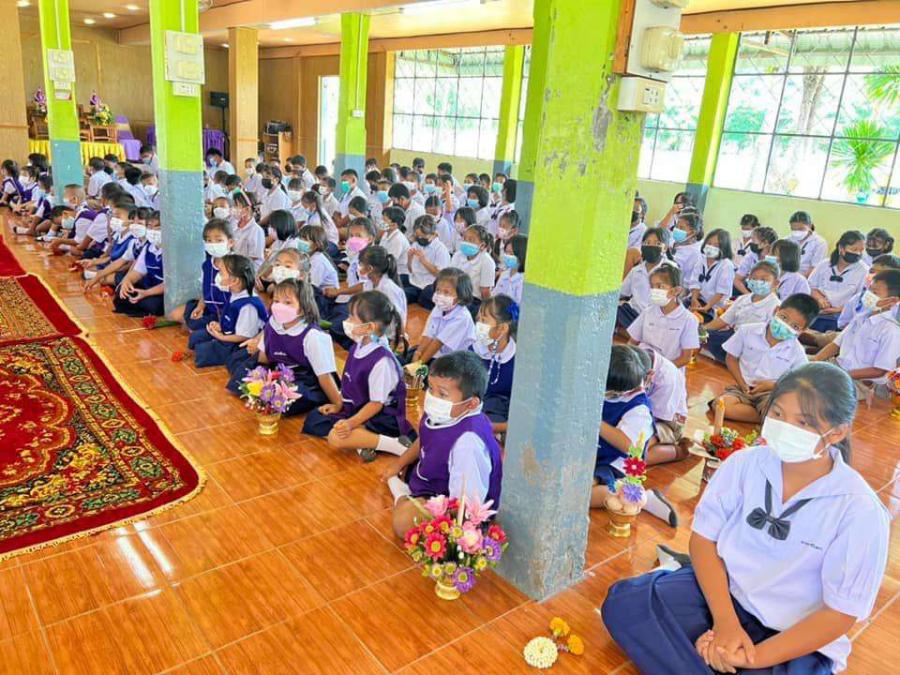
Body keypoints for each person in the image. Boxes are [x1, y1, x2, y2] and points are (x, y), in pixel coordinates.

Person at [602, 363, 889, 675]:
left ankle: (705, 656)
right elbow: (704, 539)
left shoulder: (858, 509)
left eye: (803, 422)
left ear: (838, 432)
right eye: (777, 414)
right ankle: (709, 653)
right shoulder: (744, 464)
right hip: (725, 598)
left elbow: (839, 614)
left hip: (790, 634)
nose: (785, 427)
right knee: (625, 604)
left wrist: (752, 657)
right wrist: (725, 625)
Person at [382, 350, 503, 538]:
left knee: (402, 523)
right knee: (402, 475)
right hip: (433, 481)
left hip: (453, 501)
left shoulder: (468, 443)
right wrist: (399, 463)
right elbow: (426, 437)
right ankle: (408, 494)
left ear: (471, 403)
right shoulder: (445, 411)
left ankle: (403, 496)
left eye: (443, 394)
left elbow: (466, 506)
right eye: (431, 388)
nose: (432, 397)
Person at [302, 291, 414, 463]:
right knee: (314, 419)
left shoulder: (382, 361)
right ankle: (363, 442)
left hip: (381, 417)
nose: (347, 321)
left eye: (352, 317)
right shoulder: (359, 345)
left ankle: (396, 445)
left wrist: (350, 423)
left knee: (335, 438)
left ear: (369, 327)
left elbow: (376, 404)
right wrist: (338, 405)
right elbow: (351, 385)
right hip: (357, 409)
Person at [227, 278, 342, 416]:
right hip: (279, 368)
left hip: (305, 376)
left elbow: (324, 376)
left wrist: (337, 404)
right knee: (242, 373)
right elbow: (264, 358)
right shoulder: (272, 323)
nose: (280, 306)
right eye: (276, 301)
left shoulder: (313, 336)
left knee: (286, 397)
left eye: (288, 303)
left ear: (303, 308)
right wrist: (261, 375)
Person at [590, 345, 678, 527]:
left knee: (584, 494)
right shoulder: (611, 380)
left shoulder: (639, 409)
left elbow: (627, 445)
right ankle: (630, 495)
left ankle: (640, 497)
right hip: (596, 453)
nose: (608, 395)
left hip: (615, 462)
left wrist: (595, 421)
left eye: (614, 393)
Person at [717, 293, 819, 423]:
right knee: (721, 406)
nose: (785, 325)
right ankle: (764, 417)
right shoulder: (747, 330)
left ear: (802, 331)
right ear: (776, 310)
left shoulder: (796, 350)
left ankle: (766, 415)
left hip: (772, 394)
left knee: (779, 413)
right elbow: (731, 358)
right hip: (743, 388)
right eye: (784, 317)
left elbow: (800, 382)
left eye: (795, 326)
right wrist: (742, 384)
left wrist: (773, 385)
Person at [812, 269, 900, 399]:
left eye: (875, 293)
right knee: (798, 371)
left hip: (858, 382)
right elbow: (836, 344)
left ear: (892, 300)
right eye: (869, 290)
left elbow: (880, 370)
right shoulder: (861, 316)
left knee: (814, 392)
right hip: (836, 367)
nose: (868, 295)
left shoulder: (891, 330)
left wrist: (842, 375)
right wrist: (815, 361)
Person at [188, 254, 268, 367]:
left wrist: (222, 337)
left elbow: (245, 336)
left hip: (240, 342)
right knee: (195, 338)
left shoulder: (248, 306)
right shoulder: (234, 294)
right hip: (231, 334)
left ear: (234, 280)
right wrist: (220, 326)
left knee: (203, 353)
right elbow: (231, 319)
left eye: (221, 273)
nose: (218, 276)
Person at [703, 261, 781, 363]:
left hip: (753, 345)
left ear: (776, 283)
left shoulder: (776, 306)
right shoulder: (743, 299)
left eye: (763, 279)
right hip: (733, 336)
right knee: (705, 335)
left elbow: (771, 338)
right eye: (754, 278)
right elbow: (722, 321)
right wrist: (700, 331)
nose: (758, 282)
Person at [330, 245, 407, 349]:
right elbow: (362, 286)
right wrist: (339, 292)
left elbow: (399, 317)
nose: (358, 267)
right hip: (373, 327)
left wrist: (400, 339)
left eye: (360, 264)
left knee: (341, 328)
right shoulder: (372, 281)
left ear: (370, 268)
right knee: (340, 324)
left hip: (385, 335)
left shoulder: (389, 288)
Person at [627, 265, 700, 371]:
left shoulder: (688, 320)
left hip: (669, 371)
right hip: (643, 368)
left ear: (676, 291)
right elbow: (632, 342)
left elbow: (685, 358)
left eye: (660, 286)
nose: (654, 290)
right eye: (652, 286)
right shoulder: (648, 312)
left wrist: (659, 370)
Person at [170, 218, 233, 330]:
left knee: (195, 330)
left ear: (230, 242)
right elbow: (205, 290)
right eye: (209, 240)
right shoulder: (207, 265)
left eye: (218, 240)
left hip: (228, 311)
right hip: (210, 307)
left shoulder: (236, 265)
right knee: (175, 315)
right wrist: (200, 307)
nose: (213, 244)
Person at [409, 267, 476, 366]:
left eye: (446, 292)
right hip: (440, 352)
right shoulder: (439, 307)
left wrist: (418, 364)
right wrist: (417, 353)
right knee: (411, 354)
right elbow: (429, 333)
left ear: (460, 296)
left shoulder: (462, 317)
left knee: (429, 370)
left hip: (457, 360)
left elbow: (438, 342)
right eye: (438, 290)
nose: (440, 295)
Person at [634, 348, 689, 466]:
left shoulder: (667, 378)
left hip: (667, 423)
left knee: (635, 452)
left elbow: (654, 418)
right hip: (641, 413)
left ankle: (680, 451)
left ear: (649, 375)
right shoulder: (638, 359)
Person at [472, 295, 517, 433]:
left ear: (502, 328)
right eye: (478, 319)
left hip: (497, 412)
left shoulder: (516, 362)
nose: (478, 325)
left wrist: (501, 427)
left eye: (484, 320)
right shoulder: (473, 349)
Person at [808, 230, 868, 332]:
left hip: (842, 314)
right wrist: (819, 299)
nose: (858, 253)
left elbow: (861, 299)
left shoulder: (864, 270)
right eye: (854, 249)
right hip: (819, 309)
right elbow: (810, 286)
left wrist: (838, 309)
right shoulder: (824, 265)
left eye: (861, 250)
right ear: (841, 248)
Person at [617, 228, 677, 330]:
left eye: (657, 243)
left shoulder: (670, 269)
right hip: (633, 312)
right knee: (615, 311)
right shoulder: (636, 270)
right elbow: (622, 292)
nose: (651, 246)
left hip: (656, 318)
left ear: (665, 248)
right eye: (647, 243)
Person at [113, 214, 165, 316]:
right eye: (150, 227)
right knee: (122, 292)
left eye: (158, 228)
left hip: (162, 292)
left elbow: (171, 284)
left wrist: (147, 293)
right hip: (148, 286)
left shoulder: (173, 252)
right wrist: (127, 282)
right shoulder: (148, 247)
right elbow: (137, 272)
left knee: (152, 305)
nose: (153, 231)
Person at [404, 215, 451, 307]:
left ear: (433, 234)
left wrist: (424, 261)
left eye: (423, 236)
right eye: (418, 236)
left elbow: (440, 275)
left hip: (430, 285)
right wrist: (409, 258)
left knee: (426, 295)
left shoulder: (440, 249)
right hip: (415, 283)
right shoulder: (416, 244)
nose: (420, 239)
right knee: (400, 291)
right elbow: (410, 270)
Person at [690, 228, 735, 320]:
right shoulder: (701, 260)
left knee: (695, 319)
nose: (711, 247)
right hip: (700, 300)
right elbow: (695, 283)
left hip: (717, 306)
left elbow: (721, 292)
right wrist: (694, 299)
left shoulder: (726, 265)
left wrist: (707, 307)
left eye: (716, 245)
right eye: (709, 243)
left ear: (724, 248)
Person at [450, 224, 496, 310]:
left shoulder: (487, 262)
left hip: (473, 299)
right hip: (455, 293)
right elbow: (450, 277)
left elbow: (485, 291)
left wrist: (485, 310)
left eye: (471, 240)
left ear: (482, 245)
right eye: (465, 239)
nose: (466, 242)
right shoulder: (458, 255)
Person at [734, 226, 778, 295]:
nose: (750, 243)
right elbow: (737, 279)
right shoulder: (751, 256)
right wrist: (749, 296)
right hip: (752, 293)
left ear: (765, 243)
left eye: (753, 240)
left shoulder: (777, 259)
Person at [230, 192, 265, 270]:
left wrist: (234, 262)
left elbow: (254, 257)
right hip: (235, 265)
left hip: (248, 269)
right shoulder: (234, 224)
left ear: (247, 209)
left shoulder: (256, 231)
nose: (233, 208)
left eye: (236, 206)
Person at [787, 210, 827, 276]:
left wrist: (798, 280)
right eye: (793, 229)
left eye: (800, 229)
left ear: (810, 226)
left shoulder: (820, 243)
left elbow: (814, 268)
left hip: (808, 278)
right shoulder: (787, 240)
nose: (797, 232)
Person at [672, 210, 704, 291]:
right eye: (676, 226)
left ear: (692, 232)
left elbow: (688, 283)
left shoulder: (695, 253)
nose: (676, 229)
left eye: (681, 228)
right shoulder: (676, 242)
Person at [492, 234, 527, 305]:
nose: (507, 256)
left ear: (521, 255)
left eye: (511, 254)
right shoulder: (504, 274)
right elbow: (494, 295)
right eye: (506, 252)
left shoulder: (523, 280)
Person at [380, 206, 411, 285]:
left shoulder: (398, 239)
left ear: (394, 225)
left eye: (384, 220)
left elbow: (390, 262)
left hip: (400, 274)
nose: (381, 222)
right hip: (388, 268)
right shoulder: (386, 233)